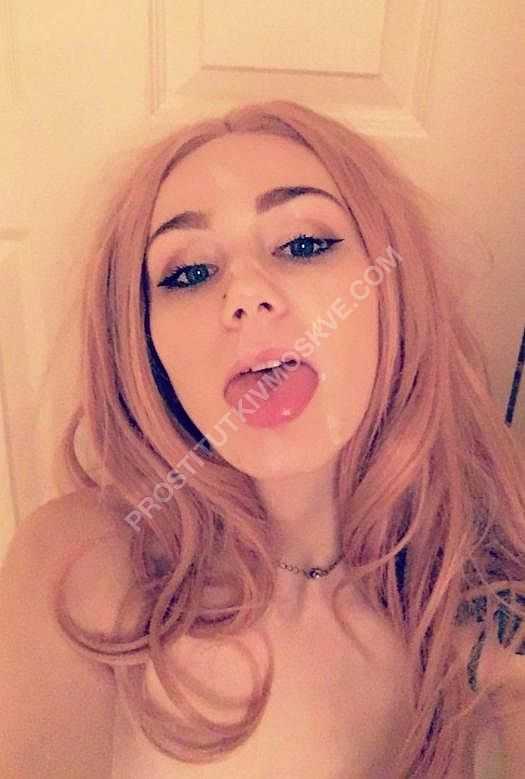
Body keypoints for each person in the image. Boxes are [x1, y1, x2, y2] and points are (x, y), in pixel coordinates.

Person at [1, 99, 524, 778]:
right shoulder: (83, 563)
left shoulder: (480, 594)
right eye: (189, 273)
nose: (245, 294)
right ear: (144, 346)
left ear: (393, 291)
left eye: (303, 244)